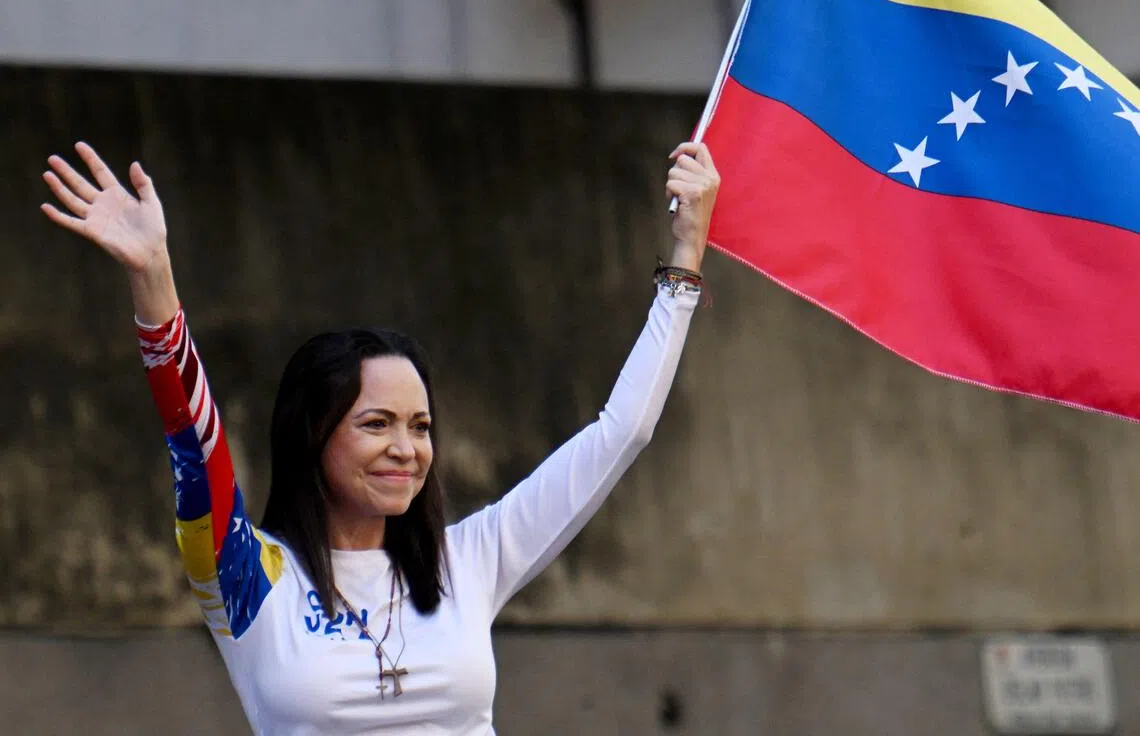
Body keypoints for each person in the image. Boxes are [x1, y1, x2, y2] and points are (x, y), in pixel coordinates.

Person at [40, 139, 719, 735]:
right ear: (313, 435)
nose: (407, 448)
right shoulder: (250, 578)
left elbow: (622, 432)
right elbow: (195, 443)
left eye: (421, 426)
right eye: (377, 424)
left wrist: (685, 260)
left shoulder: (471, 560)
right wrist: (153, 277)